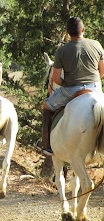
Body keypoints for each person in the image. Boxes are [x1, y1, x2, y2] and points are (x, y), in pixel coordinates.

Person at [36, 16, 104, 156]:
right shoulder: (96, 44)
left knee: (46, 107)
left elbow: (55, 78)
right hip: (96, 88)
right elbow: (102, 71)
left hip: (72, 89)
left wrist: (65, 83)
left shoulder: (62, 50)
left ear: (67, 32)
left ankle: (46, 145)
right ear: (83, 30)